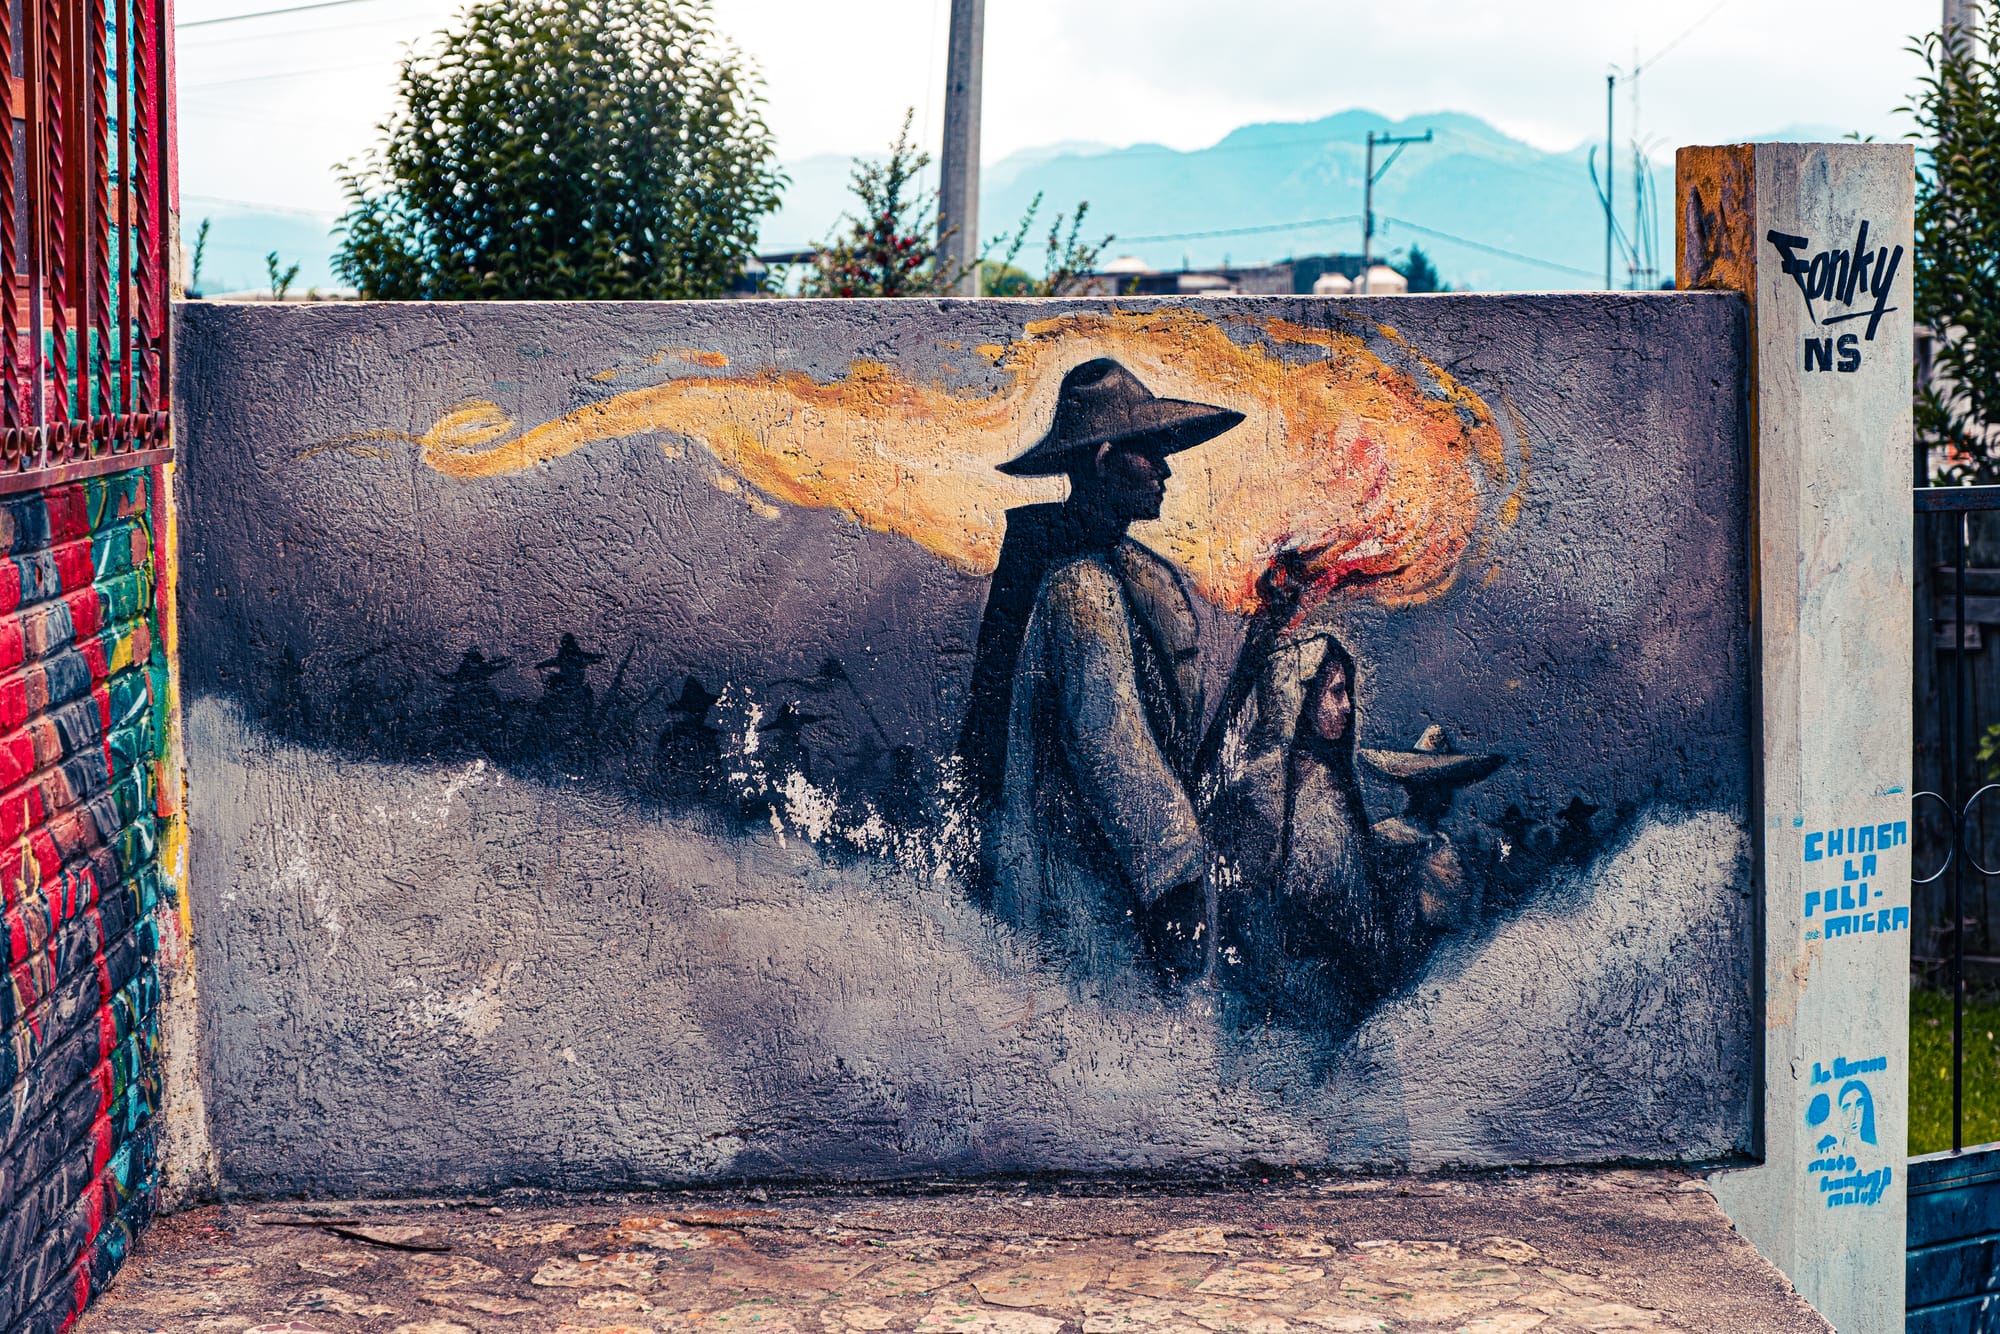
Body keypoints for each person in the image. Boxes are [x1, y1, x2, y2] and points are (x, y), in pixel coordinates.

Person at [986, 358, 1244, 988]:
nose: (1165, 468)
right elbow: (1114, 749)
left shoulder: (1122, 574)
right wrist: (1177, 870)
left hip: (1105, 888)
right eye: (1146, 453)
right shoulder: (1082, 589)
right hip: (1091, 901)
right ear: (1102, 462)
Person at [1206, 631, 1388, 1030]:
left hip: (1328, 1000)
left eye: (1347, 692)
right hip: (1274, 1004)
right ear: (1300, 697)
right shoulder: (1261, 792)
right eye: (1336, 692)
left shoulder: (1330, 786)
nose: (1348, 706)